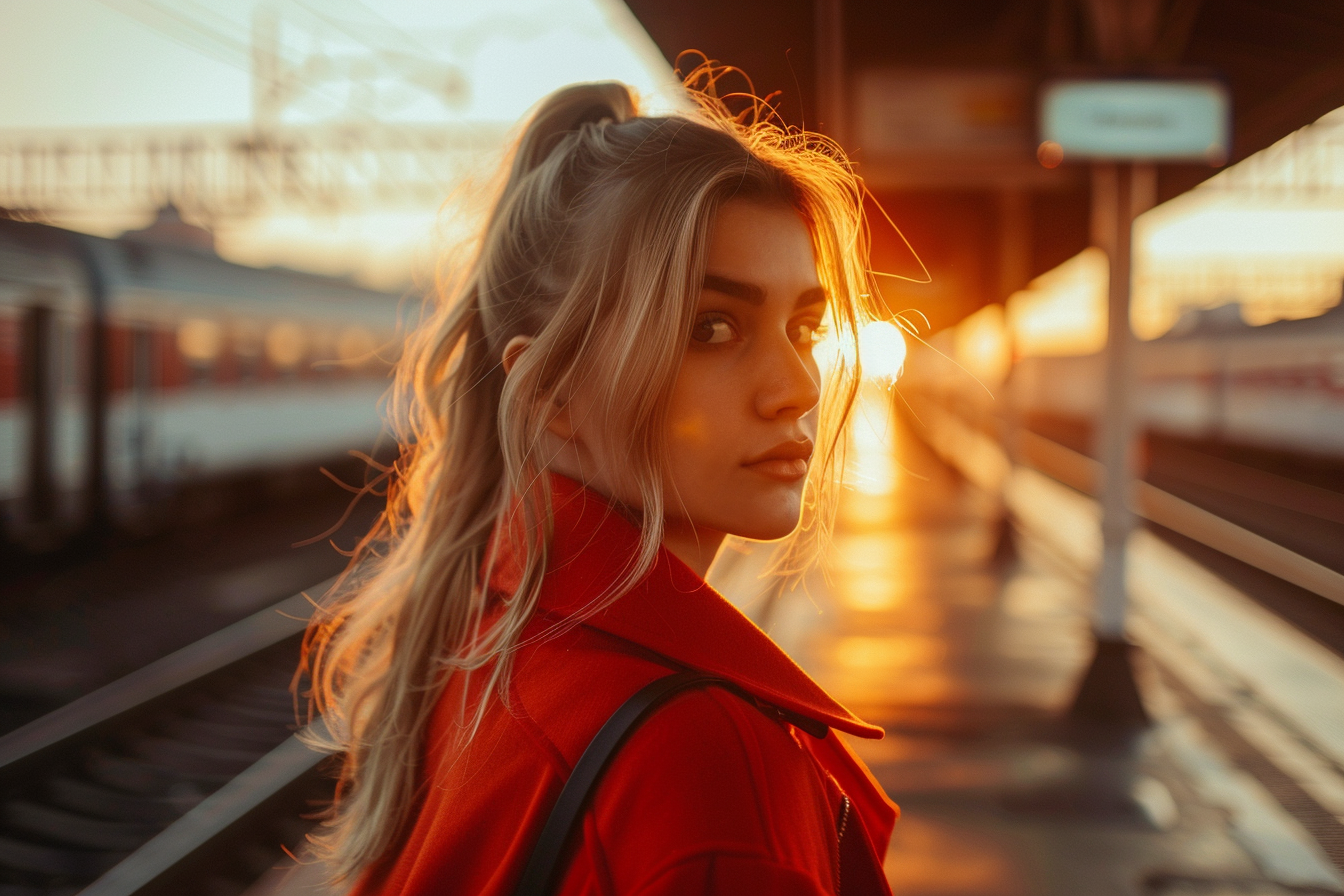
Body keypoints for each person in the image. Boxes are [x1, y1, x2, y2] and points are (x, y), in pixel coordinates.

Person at [301, 74, 899, 895]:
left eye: (806, 328)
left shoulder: (484, 635)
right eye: (711, 327)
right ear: (553, 395)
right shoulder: (706, 770)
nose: (796, 386)